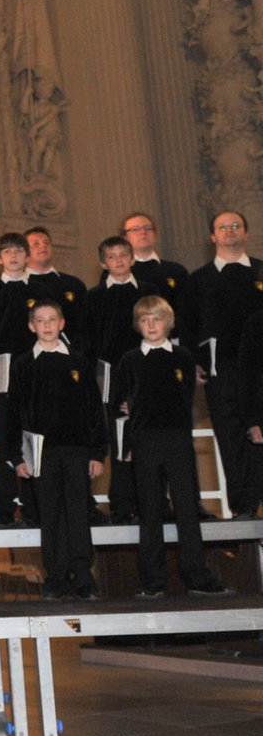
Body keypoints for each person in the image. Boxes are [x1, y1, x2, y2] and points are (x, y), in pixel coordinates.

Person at [112, 296, 234, 598]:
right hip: (144, 443)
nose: (151, 325)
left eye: (157, 319)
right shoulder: (129, 360)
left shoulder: (182, 356)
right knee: (150, 511)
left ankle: (196, 575)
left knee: (187, 509)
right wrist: (127, 445)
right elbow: (120, 406)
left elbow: (184, 399)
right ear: (137, 325)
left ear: (168, 322)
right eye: (144, 320)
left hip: (178, 440)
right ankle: (153, 581)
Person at [8, 300, 106, 600]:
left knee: (78, 511)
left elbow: (94, 410)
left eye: (53, 319)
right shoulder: (24, 364)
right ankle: (56, 576)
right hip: (41, 453)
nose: (47, 325)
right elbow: (14, 413)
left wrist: (97, 453)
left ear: (62, 323)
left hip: (76, 449)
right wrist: (17, 456)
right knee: (49, 513)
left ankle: (82, 573)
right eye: (40, 320)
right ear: (31, 326)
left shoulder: (79, 361)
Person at [184, 210, 263, 519]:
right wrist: (194, 363)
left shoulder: (260, 272)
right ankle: (243, 507)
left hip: (260, 373)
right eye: (223, 227)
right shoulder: (199, 279)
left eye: (236, 226)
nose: (230, 231)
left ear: (245, 232)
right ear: (213, 236)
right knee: (231, 439)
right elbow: (189, 326)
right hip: (223, 371)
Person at [0, 233, 39, 525]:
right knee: (2, 440)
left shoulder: (41, 289)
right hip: (0, 374)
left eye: (18, 251)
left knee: (33, 435)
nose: (13, 256)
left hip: (35, 373)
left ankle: (35, 504)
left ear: (27, 256)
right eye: (7, 252)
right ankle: (3, 508)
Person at [88, 236, 145, 523]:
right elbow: (90, 342)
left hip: (145, 375)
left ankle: (152, 501)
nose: (119, 260)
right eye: (112, 256)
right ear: (103, 263)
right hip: (109, 375)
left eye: (124, 255)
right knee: (117, 437)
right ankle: (121, 503)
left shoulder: (148, 292)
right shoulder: (94, 297)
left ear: (133, 258)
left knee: (146, 438)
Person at [24, 226, 90, 355]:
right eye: (36, 244)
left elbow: (86, 326)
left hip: (72, 357)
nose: (42, 246)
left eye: (46, 243)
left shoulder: (74, 284)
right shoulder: (18, 287)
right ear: (24, 252)